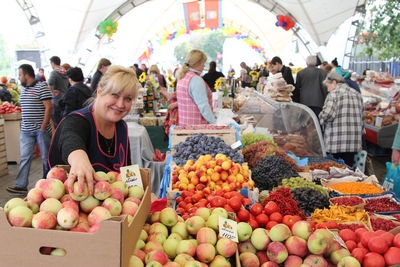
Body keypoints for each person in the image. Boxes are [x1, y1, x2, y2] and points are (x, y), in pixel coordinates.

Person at [48, 65, 139, 194]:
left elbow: (128, 172)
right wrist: (79, 159)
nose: (120, 104)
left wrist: (140, 195)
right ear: (100, 91)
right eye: (114, 95)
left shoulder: (121, 127)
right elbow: (70, 137)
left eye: (128, 98)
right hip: (69, 206)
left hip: (114, 207)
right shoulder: (78, 120)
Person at [6, 64, 53, 194]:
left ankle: (47, 183)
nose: (19, 77)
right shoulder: (24, 89)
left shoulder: (41, 86)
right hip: (26, 131)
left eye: (20, 74)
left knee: (46, 158)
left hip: (40, 130)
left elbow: (49, 107)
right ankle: (21, 185)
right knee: (25, 157)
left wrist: (43, 127)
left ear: (26, 75)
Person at [319, 72, 365, 167]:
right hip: (353, 142)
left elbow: (328, 114)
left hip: (336, 142)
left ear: (334, 82)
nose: (328, 90)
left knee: (332, 169)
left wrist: (320, 117)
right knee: (348, 170)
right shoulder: (357, 94)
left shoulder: (334, 94)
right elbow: (362, 117)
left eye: (328, 86)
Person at [176, 49, 216, 126]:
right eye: (203, 62)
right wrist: (215, 123)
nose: (204, 65)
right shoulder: (196, 79)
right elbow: (203, 106)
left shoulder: (182, 76)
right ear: (197, 63)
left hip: (184, 125)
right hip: (198, 127)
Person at [48, 56, 69, 128]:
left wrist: (52, 91)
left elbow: (50, 83)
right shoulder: (65, 72)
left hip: (56, 100)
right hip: (65, 99)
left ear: (53, 63)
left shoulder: (54, 73)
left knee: (56, 123)